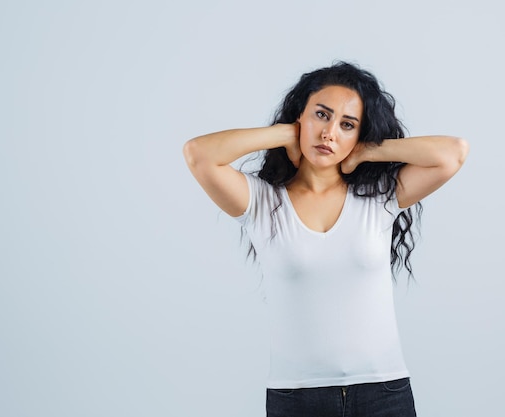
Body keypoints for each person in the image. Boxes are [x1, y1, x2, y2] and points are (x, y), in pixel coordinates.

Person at [183, 61, 469, 417]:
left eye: (347, 125)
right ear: (299, 115)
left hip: (384, 393)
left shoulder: (379, 199)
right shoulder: (261, 202)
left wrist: (366, 151)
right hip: (296, 398)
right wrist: (284, 134)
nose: (329, 133)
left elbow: (453, 153)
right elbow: (199, 155)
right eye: (321, 115)